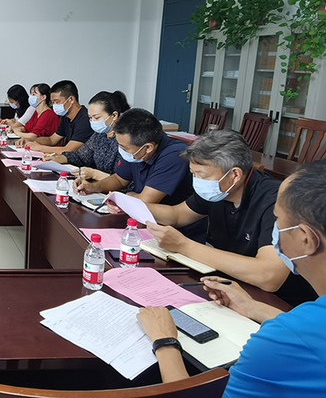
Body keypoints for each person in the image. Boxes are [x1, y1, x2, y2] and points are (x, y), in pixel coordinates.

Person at [137, 159, 326, 397]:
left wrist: (165, 342)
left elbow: (301, 336)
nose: (274, 230)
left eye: (277, 221)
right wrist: (254, 308)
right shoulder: (305, 325)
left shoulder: (280, 342)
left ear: (306, 239)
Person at [144, 130, 316, 305]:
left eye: (201, 175)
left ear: (234, 175)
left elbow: (269, 275)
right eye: (193, 174)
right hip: (231, 287)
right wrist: (130, 203)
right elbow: (178, 215)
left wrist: (184, 245)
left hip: (281, 302)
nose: (196, 181)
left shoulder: (275, 201)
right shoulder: (218, 191)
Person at [75, 108, 205, 242]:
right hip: (142, 224)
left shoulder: (174, 155)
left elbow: (144, 201)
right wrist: (93, 186)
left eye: (124, 148)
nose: (121, 151)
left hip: (175, 233)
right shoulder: (137, 152)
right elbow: (119, 179)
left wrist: (129, 197)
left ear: (148, 147)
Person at [41, 90, 130, 179]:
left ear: (114, 116)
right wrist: (58, 159)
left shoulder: (126, 139)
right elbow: (80, 156)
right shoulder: (99, 135)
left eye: (96, 117)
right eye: (90, 118)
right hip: (98, 186)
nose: (93, 122)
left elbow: (124, 180)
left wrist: (94, 174)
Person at [24, 80, 93, 155]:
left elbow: (68, 149)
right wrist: (30, 140)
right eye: (53, 102)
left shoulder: (85, 119)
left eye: (57, 102)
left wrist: (39, 147)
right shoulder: (66, 117)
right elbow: (51, 140)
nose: (55, 106)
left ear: (71, 100)